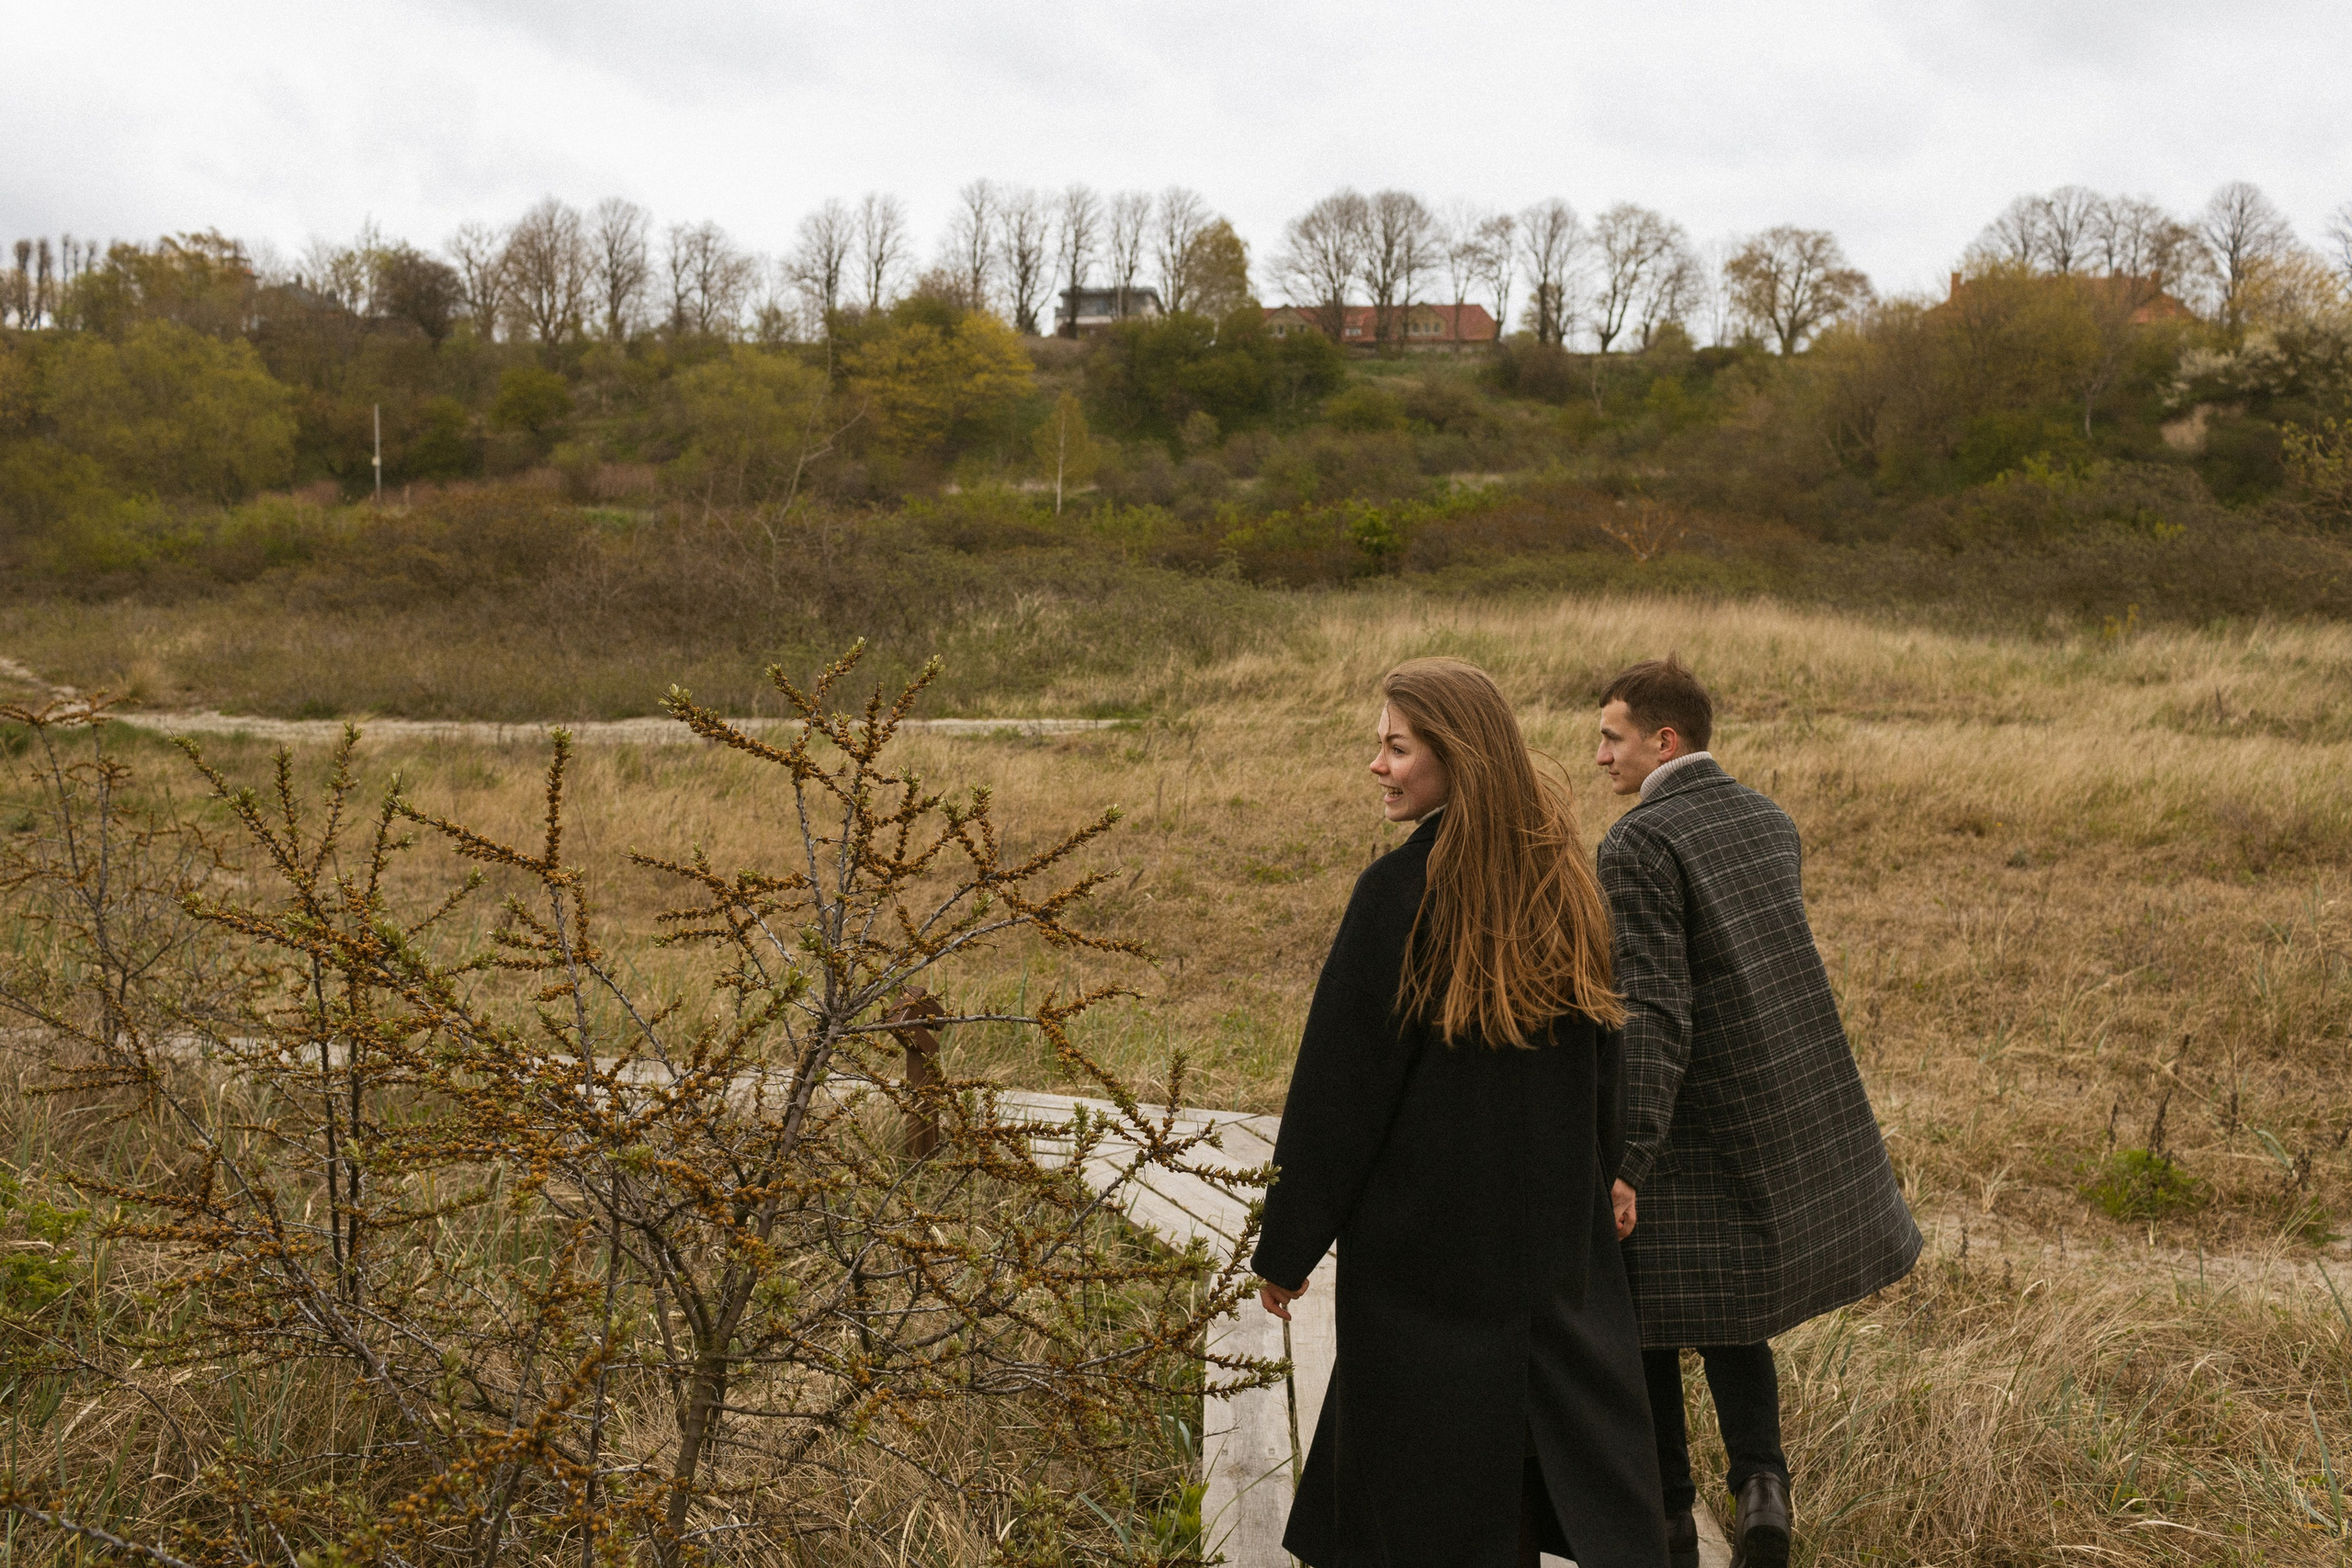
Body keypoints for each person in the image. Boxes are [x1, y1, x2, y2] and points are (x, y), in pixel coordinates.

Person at [1252, 656, 1668, 1568]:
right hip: (1543, 1241)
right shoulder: (1564, 881)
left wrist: (1286, 1248)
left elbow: (1338, 1092)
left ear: (1456, 756)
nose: (1378, 768)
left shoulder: (1396, 897)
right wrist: (1608, 1170)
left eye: (1396, 749)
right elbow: (1610, 1050)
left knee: (1426, 1484)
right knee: (1521, 1455)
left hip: (1421, 1253)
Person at [1594, 657, 1922, 1568]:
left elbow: (1654, 1011)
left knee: (1645, 1311)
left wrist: (1625, 1154)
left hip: (1681, 1121)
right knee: (1736, 1315)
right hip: (1764, 1103)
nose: (1597, 757)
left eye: (1610, 737)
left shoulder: (1636, 845)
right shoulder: (1765, 818)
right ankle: (1763, 1491)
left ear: (1664, 741)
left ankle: (1667, 1514)